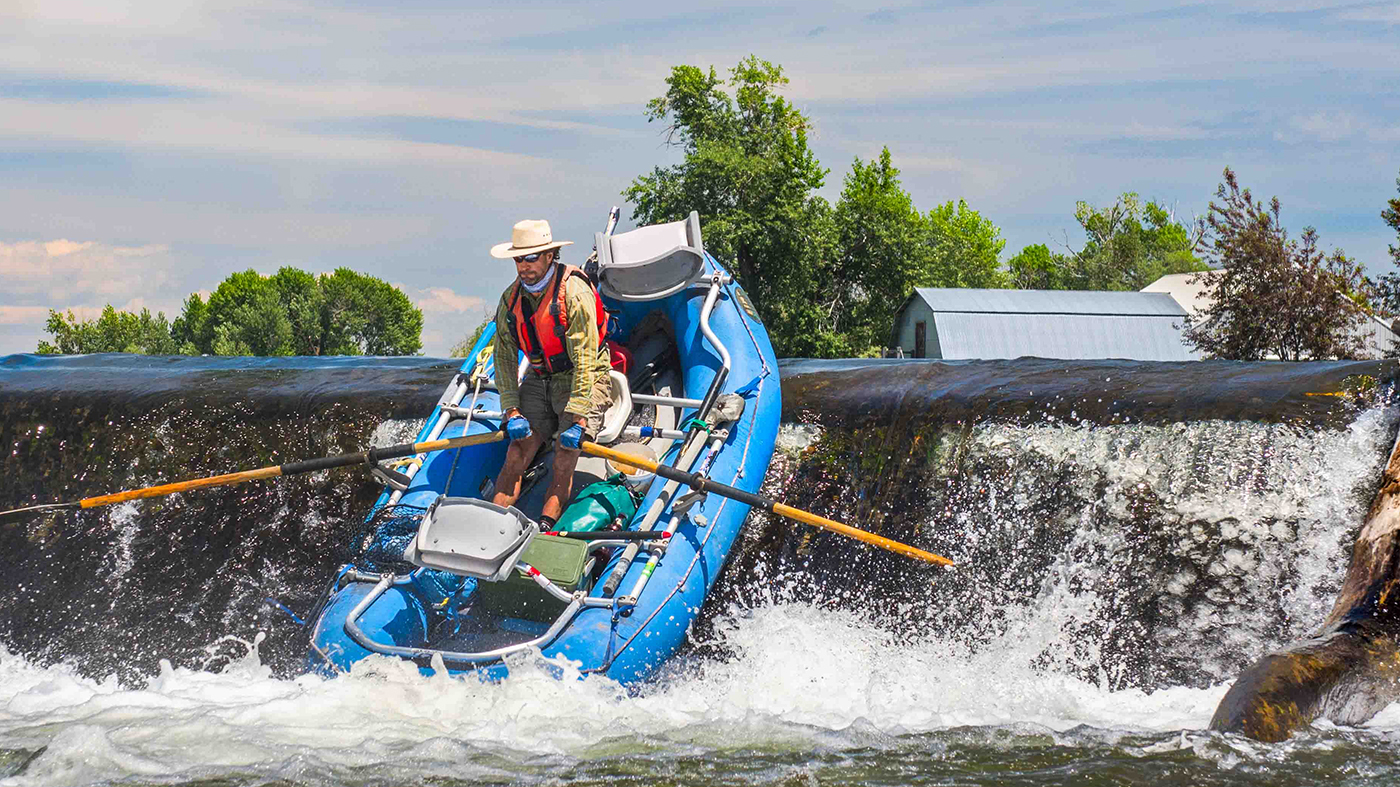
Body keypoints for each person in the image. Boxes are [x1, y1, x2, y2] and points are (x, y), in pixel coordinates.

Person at [488, 219, 613, 529]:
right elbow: (503, 356)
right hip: (541, 378)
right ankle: (490, 525)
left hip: (584, 377)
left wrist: (578, 415)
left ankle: (546, 525)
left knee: (565, 452)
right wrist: (511, 409)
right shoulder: (510, 300)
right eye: (519, 258)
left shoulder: (573, 293)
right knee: (517, 453)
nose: (524, 266)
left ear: (549, 256)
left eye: (531, 258)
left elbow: (585, 358)